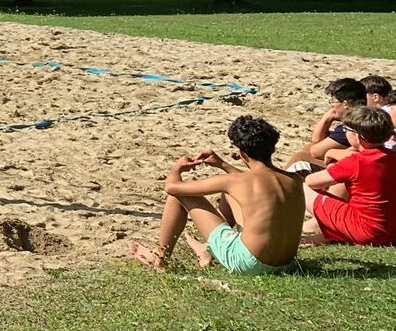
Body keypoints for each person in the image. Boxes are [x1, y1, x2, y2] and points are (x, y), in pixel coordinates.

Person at [130, 115, 304, 275]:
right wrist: (222, 164)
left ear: (242, 154)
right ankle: (209, 249)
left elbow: (172, 188)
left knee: (179, 195)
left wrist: (177, 169)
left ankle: (160, 256)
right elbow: (254, 185)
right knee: (229, 194)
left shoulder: (236, 182)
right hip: (287, 263)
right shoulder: (294, 180)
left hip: (249, 264)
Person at [303, 105, 396, 248]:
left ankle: (319, 226)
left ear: (358, 137)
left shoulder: (357, 162)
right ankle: (329, 234)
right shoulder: (394, 158)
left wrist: (334, 166)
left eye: (347, 129)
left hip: (369, 232)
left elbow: (311, 182)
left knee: (302, 187)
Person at [289, 77, 369, 167]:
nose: (332, 106)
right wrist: (328, 118)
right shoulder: (365, 117)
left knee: (300, 157)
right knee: (308, 148)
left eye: (333, 102)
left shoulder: (352, 126)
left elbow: (316, 151)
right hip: (358, 163)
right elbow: (316, 140)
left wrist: (327, 117)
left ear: (345, 104)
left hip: (355, 167)